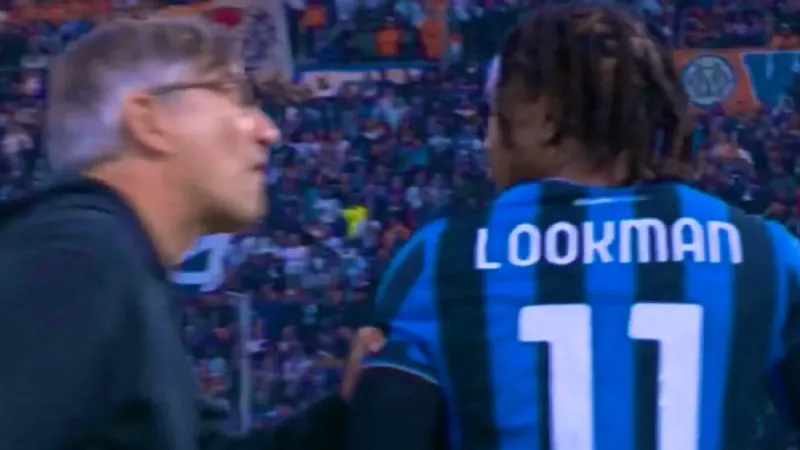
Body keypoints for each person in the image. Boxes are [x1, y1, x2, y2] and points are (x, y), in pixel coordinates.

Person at [345, 4, 800, 450]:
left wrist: (352, 402)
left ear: (544, 119)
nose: (487, 141)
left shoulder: (439, 258)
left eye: (495, 116)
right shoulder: (767, 255)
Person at [0, 17, 361, 450]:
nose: (269, 131)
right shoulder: (75, 259)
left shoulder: (118, 269)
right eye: (235, 95)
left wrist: (350, 411)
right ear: (149, 120)